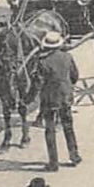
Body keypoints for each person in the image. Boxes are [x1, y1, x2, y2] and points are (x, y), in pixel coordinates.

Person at [36, 30, 81, 171]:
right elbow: (75, 76)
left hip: (49, 99)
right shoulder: (67, 57)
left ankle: (53, 163)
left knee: (50, 130)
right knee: (68, 127)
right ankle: (74, 157)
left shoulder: (42, 61)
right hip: (66, 97)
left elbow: (38, 83)